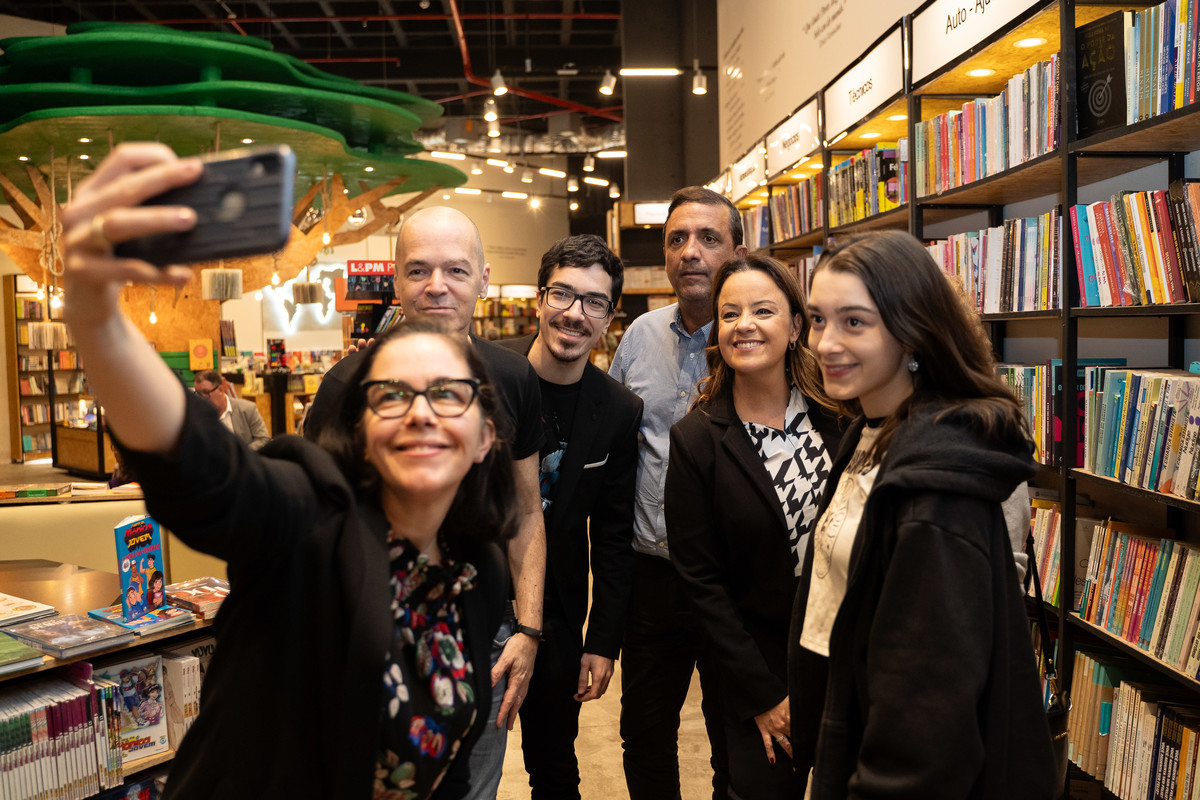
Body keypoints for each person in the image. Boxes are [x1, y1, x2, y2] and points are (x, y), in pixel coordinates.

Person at [60, 142, 521, 798]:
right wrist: (98, 320)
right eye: (392, 394)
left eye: (448, 394)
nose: (420, 412)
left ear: (485, 439)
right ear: (359, 429)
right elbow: (206, 472)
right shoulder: (308, 519)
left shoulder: (477, 567)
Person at [792, 230, 1058, 799]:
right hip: (852, 734)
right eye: (817, 319)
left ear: (911, 329)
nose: (826, 342)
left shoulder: (937, 478)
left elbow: (930, 705)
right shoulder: (868, 430)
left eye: (854, 322)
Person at [303, 206, 546, 799]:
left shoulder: (513, 378)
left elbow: (527, 512)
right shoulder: (344, 386)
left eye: (456, 270)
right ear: (396, 279)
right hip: (374, 636)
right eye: (419, 270)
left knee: (472, 787)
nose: (438, 286)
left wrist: (528, 629)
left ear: (484, 279)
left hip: (484, 632)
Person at [665, 255, 843, 798]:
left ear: (795, 326)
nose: (744, 324)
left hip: (846, 663)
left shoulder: (843, 419)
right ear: (716, 332)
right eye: (730, 313)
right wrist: (763, 696)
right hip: (753, 672)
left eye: (762, 310)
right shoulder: (696, 439)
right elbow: (701, 584)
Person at [608, 185, 747, 800]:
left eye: (708, 238)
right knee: (644, 736)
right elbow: (613, 443)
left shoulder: (758, 335)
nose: (691, 252)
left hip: (734, 583)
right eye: (677, 240)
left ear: (738, 250)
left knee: (735, 740)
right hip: (653, 580)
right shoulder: (638, 337)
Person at [497, 234, 642, 798]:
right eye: (563, 294)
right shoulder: (490, 377)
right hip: (477, 594)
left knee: (555, 767)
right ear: (538, 299)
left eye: (595, 302)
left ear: (609, 317)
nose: (575, 314)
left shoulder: (619, 411)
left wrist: (603, 642)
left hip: (557, 610)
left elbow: (612, 535)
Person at [193, 369, 270, 450]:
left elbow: (263, 439)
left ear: (220, 389)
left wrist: (242, 454)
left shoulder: (247, 409)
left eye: (206, 392)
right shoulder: (198, 417)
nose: (202, 399)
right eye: (198, 394)